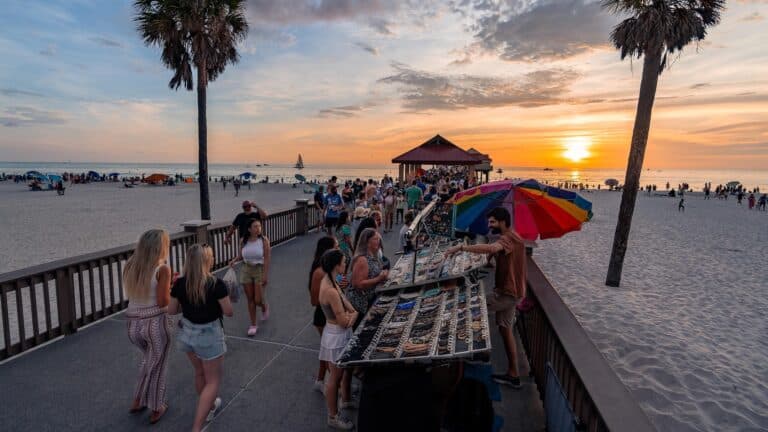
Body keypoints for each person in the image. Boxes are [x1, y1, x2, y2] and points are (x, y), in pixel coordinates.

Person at [446, 207, 526, 388]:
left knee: (470, 309)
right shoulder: (514, 237)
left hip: (507, 293)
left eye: (492, 222)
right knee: (505, 329)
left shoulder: (507, 238)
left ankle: (476, 353)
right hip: (514, 292)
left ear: (502, 222)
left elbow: (493, 247)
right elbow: (498, 252)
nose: (489, 225)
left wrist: (462, 247)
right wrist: (492, 257)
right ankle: (514, 375)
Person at [169, 244, 233, 432]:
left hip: (187, 334)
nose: (213, 259)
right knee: (213, 380)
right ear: (206, 261)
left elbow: (172, 310)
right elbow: (228, 312)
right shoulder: (216, 284)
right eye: (211, 256)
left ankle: (210, 407)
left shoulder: (180, 284)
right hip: (209, 335)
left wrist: (189, 306)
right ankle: (197, 428)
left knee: (199, 372)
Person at [124, 229, 174, 424]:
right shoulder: (163, 269)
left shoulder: (130, 266)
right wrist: (169, 287)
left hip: (133, 325)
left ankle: (138, 399)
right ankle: (156, 406)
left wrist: (165, 285)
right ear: (160, 247)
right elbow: (163, 302)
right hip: (155, 324)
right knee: (158, 365)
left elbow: (143, 292)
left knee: (149, 360)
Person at [318, 250, 358, 430]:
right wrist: (355, 314)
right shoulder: (330, 290)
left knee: (339, 374)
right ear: (336, 265)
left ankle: (343, 402)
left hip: (335, 333)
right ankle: (333, 416)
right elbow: (344, 322)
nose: (345, 264)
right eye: (343, 262)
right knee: (335, 377)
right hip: (336, 335)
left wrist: (352, 311)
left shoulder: (329, 280)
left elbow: (344, 299)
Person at [309, 236, 340, 393]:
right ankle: (332, 384)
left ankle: (321, 380)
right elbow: (314, 301)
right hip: (323, 316)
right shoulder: (319, 272)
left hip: (331, 315)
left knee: (327, 350)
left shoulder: (331, 268)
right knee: (330, 352)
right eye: (336, 246)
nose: (339, 248)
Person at [229, 219, 271, 335]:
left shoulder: (264, 240)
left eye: (259, 226)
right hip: (246, 269)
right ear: (249, 229)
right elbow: (241, 255)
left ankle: (264, 306)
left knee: (258, 299)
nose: (258, 228)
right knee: (250, 299)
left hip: (259, 269)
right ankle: (253, 325)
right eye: (255, 226)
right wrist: (234, 260)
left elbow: (267, 259)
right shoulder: (244, 240)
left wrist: (265, 275)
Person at [348, 228, 388, 327]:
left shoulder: (371, 256)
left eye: (378, 239)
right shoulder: (362, 259)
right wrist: (379, 279)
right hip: (361, 305)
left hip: (367, 301)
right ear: (367, 242)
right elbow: (358, 284)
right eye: (375, 239)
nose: (378, 242)